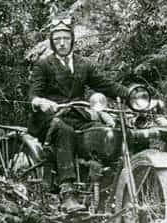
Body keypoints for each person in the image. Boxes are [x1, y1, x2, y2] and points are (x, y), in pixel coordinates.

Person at [28, 15, 125, 212]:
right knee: (64, 132)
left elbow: (106, 85)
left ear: (72, 39)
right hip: (50, 119)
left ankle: (98, 184)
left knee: (102, 132)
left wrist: (132, 95)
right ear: (52, 42)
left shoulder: (83, 64)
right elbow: (33, 94)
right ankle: (68, 192)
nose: (62, 43)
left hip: (76, 115)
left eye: (65, 38)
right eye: (57, 39)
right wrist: (42, 101)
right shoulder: (43, 64)